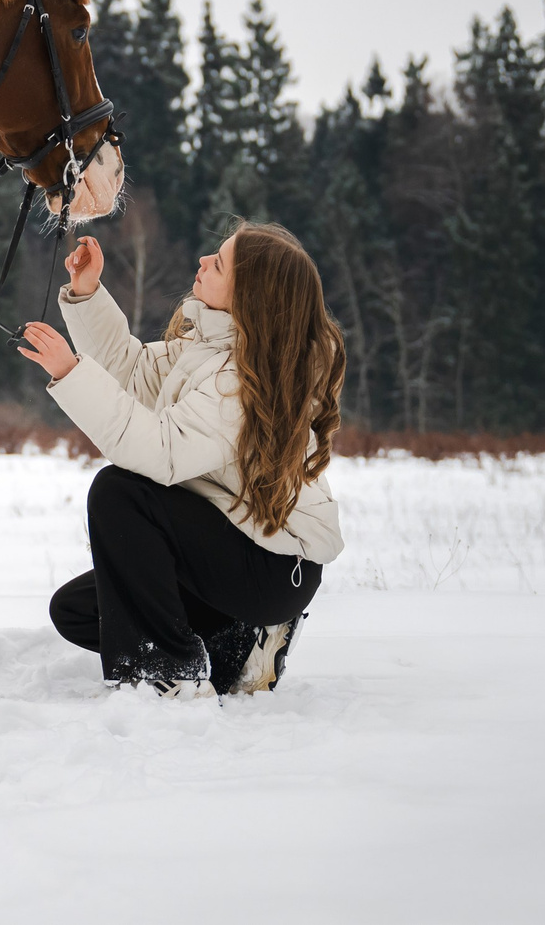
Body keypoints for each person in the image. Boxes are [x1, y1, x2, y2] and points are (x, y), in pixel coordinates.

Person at [18, 222, 347, 696]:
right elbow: (133, 374)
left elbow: (160, 453)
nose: (202, 262)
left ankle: (169, 672)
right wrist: (87, 295)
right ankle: (237, 646)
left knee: (120, 492)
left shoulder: (240, 379)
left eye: (218, 263)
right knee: (76, 610)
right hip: (232, 550)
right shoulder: (209, 347)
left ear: (249, 295)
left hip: (272, 567)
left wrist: (71, 373)